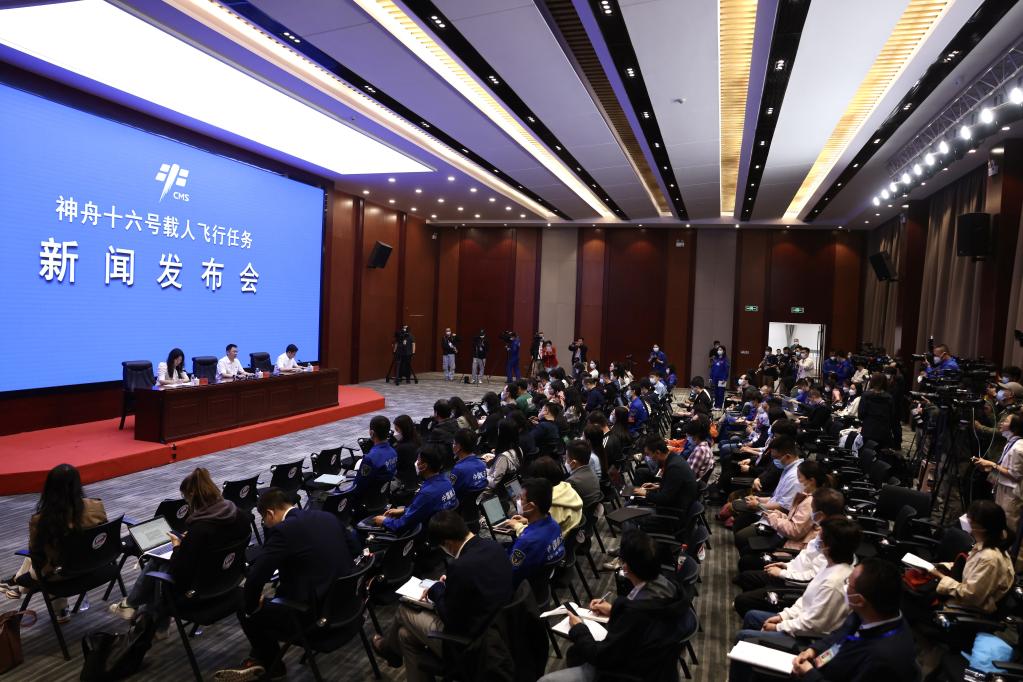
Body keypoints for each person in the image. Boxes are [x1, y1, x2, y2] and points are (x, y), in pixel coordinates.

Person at [216, 488, 353, 681]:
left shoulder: (284, 531)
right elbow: (355, 548)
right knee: (273, 600)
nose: (266, 525)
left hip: (315, 618)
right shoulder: (327, 517)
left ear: (270, 513)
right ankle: (257, 659)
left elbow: (256, 577)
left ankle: (273, 666)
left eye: (264, 521)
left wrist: (253, 606)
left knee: (245, 605)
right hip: (348, 607)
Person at [372, 512, 514, 682]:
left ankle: (389, 650)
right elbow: (479, 582)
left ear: (448, 543)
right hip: (501, 630)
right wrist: (452, 584)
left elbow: (449, 617)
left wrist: (436, 589)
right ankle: (392, 651)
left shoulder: (460, 567)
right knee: (405, 636)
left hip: (472, 643)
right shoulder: (494, 546)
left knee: (404, 609)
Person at [537, 529, 692, 682]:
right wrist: (614, 611)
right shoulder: (669, 588)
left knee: (547, 679)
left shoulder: (633, 613)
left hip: (630, 671)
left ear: (625, 567)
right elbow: (648, 618)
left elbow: (601, 657)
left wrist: (578, 628)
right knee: (576, 653)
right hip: (659, 667)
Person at [109, 468, 251, 633]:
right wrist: (190, 542)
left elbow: (180, 571)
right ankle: (148, 619)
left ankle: (138, 610)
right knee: (160, 564)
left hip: (198, 590)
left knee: (160, 565)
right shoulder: (240, 515)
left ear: (192, 496)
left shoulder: (200, 529)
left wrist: (177, 545)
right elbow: (219, 541)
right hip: (229, 579)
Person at [729, 518, 861, 682]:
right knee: (752, 616)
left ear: (828, 547)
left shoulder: (833, 583)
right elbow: (805, 600)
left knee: (743, 636)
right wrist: (783, 616)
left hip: (808, 637)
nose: (817, 539)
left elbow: (813, 624)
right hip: (800, 622)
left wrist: (779, 626)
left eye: (821, 537)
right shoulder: (830, 566)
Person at [784, 559, 922, 681]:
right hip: (823, 666)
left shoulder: (881, 659)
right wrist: (814, 650)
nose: (844, 587)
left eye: (848, 583)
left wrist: (810, 675)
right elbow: (839, 636)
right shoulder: (868, 614)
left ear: (859, 600)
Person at [6, 464, 106, 622]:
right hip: (95, 564)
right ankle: (18, 585)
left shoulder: (41, 520)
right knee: (53, 555)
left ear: (49, 488)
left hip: (60, 574)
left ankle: (20, 585)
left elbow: (36, 554)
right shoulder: (96, 506)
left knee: (37, 558)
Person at [732, 488, 846, 616]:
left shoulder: (832, 539)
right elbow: (804, 556)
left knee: (743, 598)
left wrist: (782, 573)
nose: (811, 512)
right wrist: (786, 565)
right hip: (791, 569)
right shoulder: (824, 529)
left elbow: (812, 577)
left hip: (794, 582)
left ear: (820, 514)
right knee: (746, 575)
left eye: (813, 509)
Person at [925, 499, 1014, 614]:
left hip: (965, 611)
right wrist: (938, 566)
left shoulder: (990, 559)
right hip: (961, 598)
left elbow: (970, 596)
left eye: (971, 525)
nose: (970, 531)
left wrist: (940, 576)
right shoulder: (989, 544)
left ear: (983, 529)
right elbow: (970, 566)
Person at [736, 460, 828, 568]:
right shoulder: (808, 495)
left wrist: (773, 517)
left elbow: (795, 531)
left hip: (792, 545)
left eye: (799, 477)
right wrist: (777, 514)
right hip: (785, 536)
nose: (797, 480)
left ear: (811, 480)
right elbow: (792, 519)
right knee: (745, 545)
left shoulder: (810, 502)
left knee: (745, 558)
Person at [370, 445, 458, 534]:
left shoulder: (427, 493)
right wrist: (404, 511)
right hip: (442, 530)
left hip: (426, 533)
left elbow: (401, 525)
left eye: (418, 460)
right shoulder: (446, 482)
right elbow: (427, 507)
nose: (416, 462)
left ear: (423, 466)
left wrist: (384, 521)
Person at [731, 435, 804, 534]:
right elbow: (776, 497)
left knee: (741, 531)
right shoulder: (787, 468)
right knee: (738, 513)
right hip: (768, 506)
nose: (774, 461)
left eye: (776, 458)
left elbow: (785, 508)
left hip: (778, 517)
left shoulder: (795, 477)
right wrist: (759, 499)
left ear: (787, 456)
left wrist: (759, 505)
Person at [506, 478, 565, 586]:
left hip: (523, 587)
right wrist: (528, 522)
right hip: (542, 581)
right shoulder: (555, 525)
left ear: (530, 506)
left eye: (521, 499)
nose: (518, 501)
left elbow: (510, 575)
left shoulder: (526, 542)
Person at [972, 414, 1023, 530]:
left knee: (1009, 526)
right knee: (1000, 523)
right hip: (1003, 489)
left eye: (1006, 421)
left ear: (1015, 427)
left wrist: (992, 464)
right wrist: (988, 466)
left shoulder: (1018, 448)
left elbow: (1015, 475)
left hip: (1011, 493)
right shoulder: (1011, 442)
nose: (1001, 423)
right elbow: (1006, 467)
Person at [631, 435, 698, 515]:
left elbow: (664, 499)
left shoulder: (674, 468)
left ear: (658, 452)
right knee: (633, 504)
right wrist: (658, 486)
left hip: (673, 512)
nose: (649, 458)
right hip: (676, 504)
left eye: (648, 454)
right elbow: (674, 487)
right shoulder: (674, 458)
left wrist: (646, 493)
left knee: (630, 511)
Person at [484, 418, 522, 492]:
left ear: (502, 434)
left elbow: (493, 483)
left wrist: (483, 474)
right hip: (512, 485)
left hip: (498, 490)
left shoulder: (503, 457)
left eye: (499, 430)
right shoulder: (519, 449)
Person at [857, 373, 894, 448]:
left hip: (868, 429)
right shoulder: (889, 397)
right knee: (880, 453)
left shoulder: (866, 395)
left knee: (867, 452)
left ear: (872, 382)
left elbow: (861, 414)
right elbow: (892, 415)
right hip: (883, 431)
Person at [565, 439, 603, 509]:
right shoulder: (592, 472)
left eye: (567, 458)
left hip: (585, 513)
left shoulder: (571, 482)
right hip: (596, 510)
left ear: (573, 463)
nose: (566, 462)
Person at [450, 428, 488, 497]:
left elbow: (451, 492)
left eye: (454, 443)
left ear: (458, 447)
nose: (453, 445)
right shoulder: (482, 463)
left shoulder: (457, 470)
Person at [392, 414, 422, 489]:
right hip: (416, 477)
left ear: (404, 430)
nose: (395, 433)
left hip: (404, 481)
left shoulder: (402, 448)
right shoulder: (417, 439)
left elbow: (395, 466)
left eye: (397, 430)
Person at [710, 345, 730, 409]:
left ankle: (719, 406)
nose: (719, 351)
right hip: (715, 378)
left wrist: (725, 378)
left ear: (723, 351)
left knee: (720, 392)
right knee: (715, 392)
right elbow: (712, 369)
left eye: (721, 350)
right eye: (718, 350)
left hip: (722, 379)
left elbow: (726, 370)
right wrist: (711, 377)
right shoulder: (715, 359)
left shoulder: (725, 360)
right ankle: (715, 405)